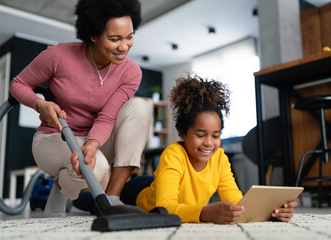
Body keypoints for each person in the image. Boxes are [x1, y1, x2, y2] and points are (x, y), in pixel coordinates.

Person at [9, 0, 152, 218]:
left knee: (140, 107)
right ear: (93, 35)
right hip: (54, 137)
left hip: (97, 138)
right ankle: (60, 190)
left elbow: (107, 117)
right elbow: (18, 84)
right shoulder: (59, 56)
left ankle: (112, 199)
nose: (124, 47)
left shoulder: (131, 73)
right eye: (115, 39)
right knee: (94, 168)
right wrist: (40, 103)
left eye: (129, 37)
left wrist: (93, 145)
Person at [120, 74, 298, 224]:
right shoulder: (173, 155)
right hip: (138, 193)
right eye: (200, 135)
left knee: (160, 182)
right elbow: (165, 208)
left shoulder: (220, 158)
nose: (209, 143)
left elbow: (236, 201)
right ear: (182, 133)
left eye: (215, 136)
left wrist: (273, 213)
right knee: (99, 202)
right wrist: (205, 213)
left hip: (161, 183)